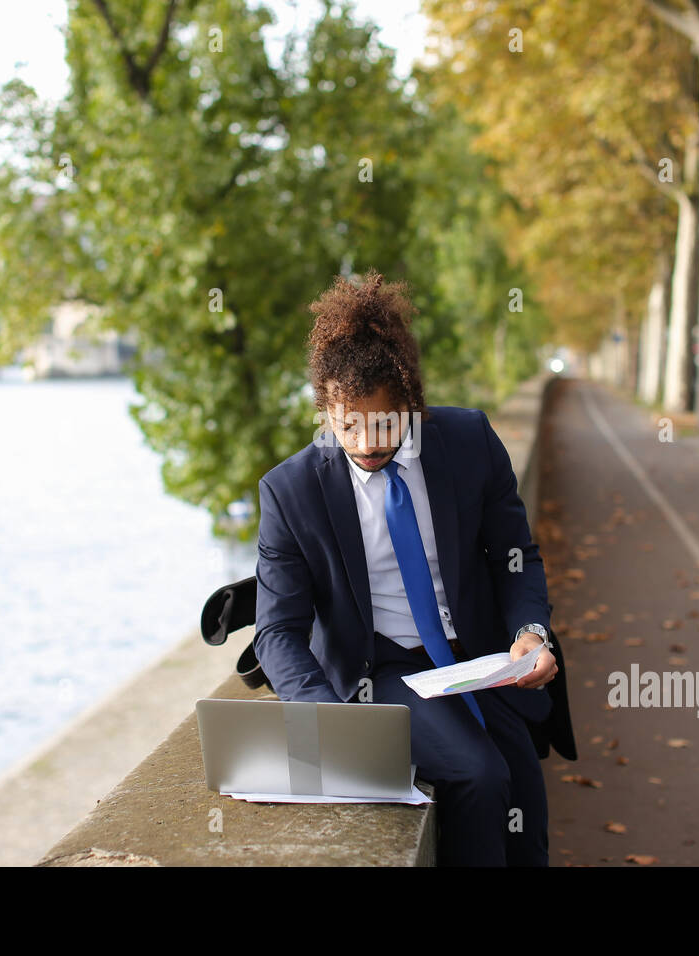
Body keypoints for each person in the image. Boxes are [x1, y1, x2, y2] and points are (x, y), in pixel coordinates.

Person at [253, 268, 570, 866]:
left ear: (412, 405)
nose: (369, 443)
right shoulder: (290, 491)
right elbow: (276, 630)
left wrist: (532, 631)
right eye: (348, 425)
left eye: (386, 423)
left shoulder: (470, 439)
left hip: (479, 659)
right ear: (324, 411)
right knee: (479, 776)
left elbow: (514, 556)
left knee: (524, 806)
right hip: (380, 670)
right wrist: (326, 718)